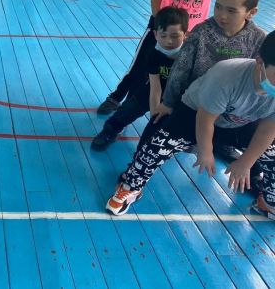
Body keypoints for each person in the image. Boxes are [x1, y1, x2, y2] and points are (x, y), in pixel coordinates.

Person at [106, 31, 275, 218]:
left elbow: (269, 129)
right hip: (195, 114)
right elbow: (205, 119)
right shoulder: (227, 76)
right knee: (153, 149)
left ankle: (268, 202)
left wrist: (246, 162)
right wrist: (205, 151)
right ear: (260, 61)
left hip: (241, 123)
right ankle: (131, 186)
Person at [97, 0, 179, 115]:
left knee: (156, 74)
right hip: (156, 30)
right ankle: (116, 97)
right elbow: (157, 13)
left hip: (178, 35)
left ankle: (130, 104)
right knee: (138, 67)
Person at [91, 7, 188, 150]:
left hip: (180, 96)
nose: (168, 41)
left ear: (185, 35)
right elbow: (155, 88)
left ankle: (184, 139)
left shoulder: (190, 56)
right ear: (155, 34)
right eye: (163, 35)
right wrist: (154, 117)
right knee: (127, 109)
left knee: (183, 121)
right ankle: (110, 131)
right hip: (156, 89)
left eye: (175, 36)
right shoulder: (153, 54)